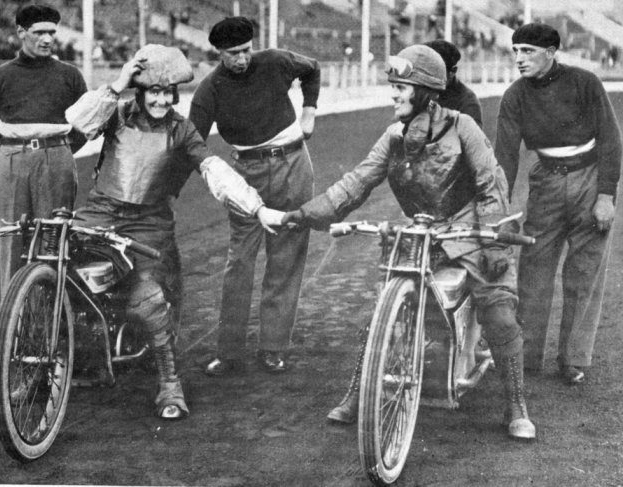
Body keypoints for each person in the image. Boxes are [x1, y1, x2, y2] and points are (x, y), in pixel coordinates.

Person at [283, 45, 536, 439]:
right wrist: (302, 214)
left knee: (499, 314)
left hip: (471, 233)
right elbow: (356, 182)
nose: (394, 94)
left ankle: (516, 404)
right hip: (421, 234)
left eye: (401, 87)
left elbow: (492, 186)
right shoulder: (393, 136)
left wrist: (492, 244)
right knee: (384, 308)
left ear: (424, 92)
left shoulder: (463, 127)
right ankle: (361, 391)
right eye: (394, 87)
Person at [65, 45, 285, 419]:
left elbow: (213, 169)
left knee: (146, 297)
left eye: (168, 93)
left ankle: (169, 382)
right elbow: (76, 126)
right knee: (59, 269)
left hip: (149, 222)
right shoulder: (116, 112)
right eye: (154, 92)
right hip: (99, 212)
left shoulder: (181, 129)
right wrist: (115, 85)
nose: (162, 100)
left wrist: (256, 207)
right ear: (140, 91)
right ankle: (49, 364)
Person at [189, 16, 320, 376]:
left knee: (286, 257)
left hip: (293, 163)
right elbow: (192, 142)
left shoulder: (275, 60)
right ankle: (230, 352)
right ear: (219, 53)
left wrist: (309, 111)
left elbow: (312, 69)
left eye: (246, 50)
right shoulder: (210, 89)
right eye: (233, 53)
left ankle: (273, 347)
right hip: (247, 173)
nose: (242, 59)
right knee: (240, 263)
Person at [494, 23, 622, 385]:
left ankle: (573, 358)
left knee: (583, 274)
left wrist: (606, 195)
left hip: (589, 179)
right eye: (516, 51)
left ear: (551, 53)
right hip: (546, 182)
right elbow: (505, 156)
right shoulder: (515, 96)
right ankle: (526, 356)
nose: (519, 58)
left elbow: (611, 139)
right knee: (533, 270)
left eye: (528, 51)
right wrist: (498, 207)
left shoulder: (585, 82)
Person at [0, 4, 87, 294]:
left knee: (53, 242)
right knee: (12, 241)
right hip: (12, 163)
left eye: (52, 32)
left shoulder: (70, 75)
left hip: (56, 161)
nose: (47, 39)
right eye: (39, 32)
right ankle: (13, 318)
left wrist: (57, 153)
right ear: (21, 32)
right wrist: (14, 156)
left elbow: (85, 125)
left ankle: (54, 317)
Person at [424, 39, 483, 128]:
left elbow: (472, 136)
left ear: (452, 72)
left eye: (434, 72)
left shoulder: (468, 103)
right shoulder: (418, 91)